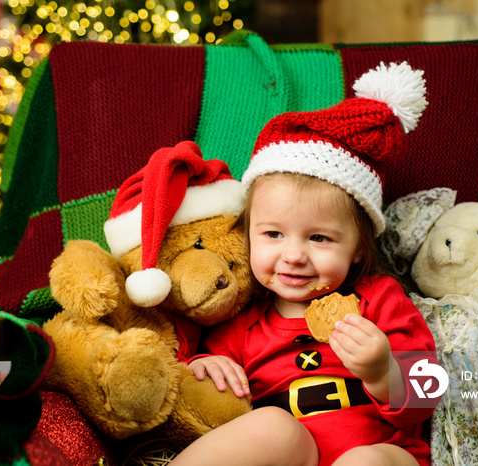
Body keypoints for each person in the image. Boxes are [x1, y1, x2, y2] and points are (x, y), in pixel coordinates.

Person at [168, 62, 441, 466]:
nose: (293, 255)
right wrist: (206, 364)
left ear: (359, 249)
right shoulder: (244, 319)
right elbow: (193, 374)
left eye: (319, 238)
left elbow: (427, 394)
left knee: (365, 463)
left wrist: (384, 370)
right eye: (273, 235)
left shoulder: (378, 301)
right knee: (273, 429)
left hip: (380, 451)